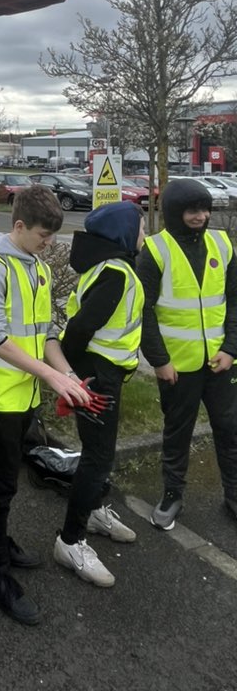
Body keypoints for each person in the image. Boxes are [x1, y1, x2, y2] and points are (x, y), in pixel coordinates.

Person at [0, 184, 91, 626]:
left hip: (23, 394)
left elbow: (47, 335)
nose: (48, 244)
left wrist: (68, 375)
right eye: (42, 235)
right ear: (18, 226)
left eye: (52, 237)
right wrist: (51, 375)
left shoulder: (37, 267)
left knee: (7, 482)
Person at [54, 201, 146, 588]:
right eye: (141, 228)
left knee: (100, 455)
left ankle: (93, 511)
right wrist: (79, 381)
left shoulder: (107, 266)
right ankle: (70, 540)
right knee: (97, 458)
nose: (145, 235)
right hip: (98, 380)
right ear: (124, 234)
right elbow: (77, 331)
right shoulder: (117, 273)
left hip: (102, 375)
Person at [137, 178, 237, 529]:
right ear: (175, 212)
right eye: (193, 210)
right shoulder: (155, 250)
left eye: (205, 208)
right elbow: (144, 310)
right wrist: (159, 360)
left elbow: (234, 301)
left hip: (221, 363)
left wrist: (230, 349)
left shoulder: (223, 245)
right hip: (178, 365)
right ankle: (172, 495)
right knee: (178, 432)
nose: (201, 216)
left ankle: (234, 495)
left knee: (230, 428)